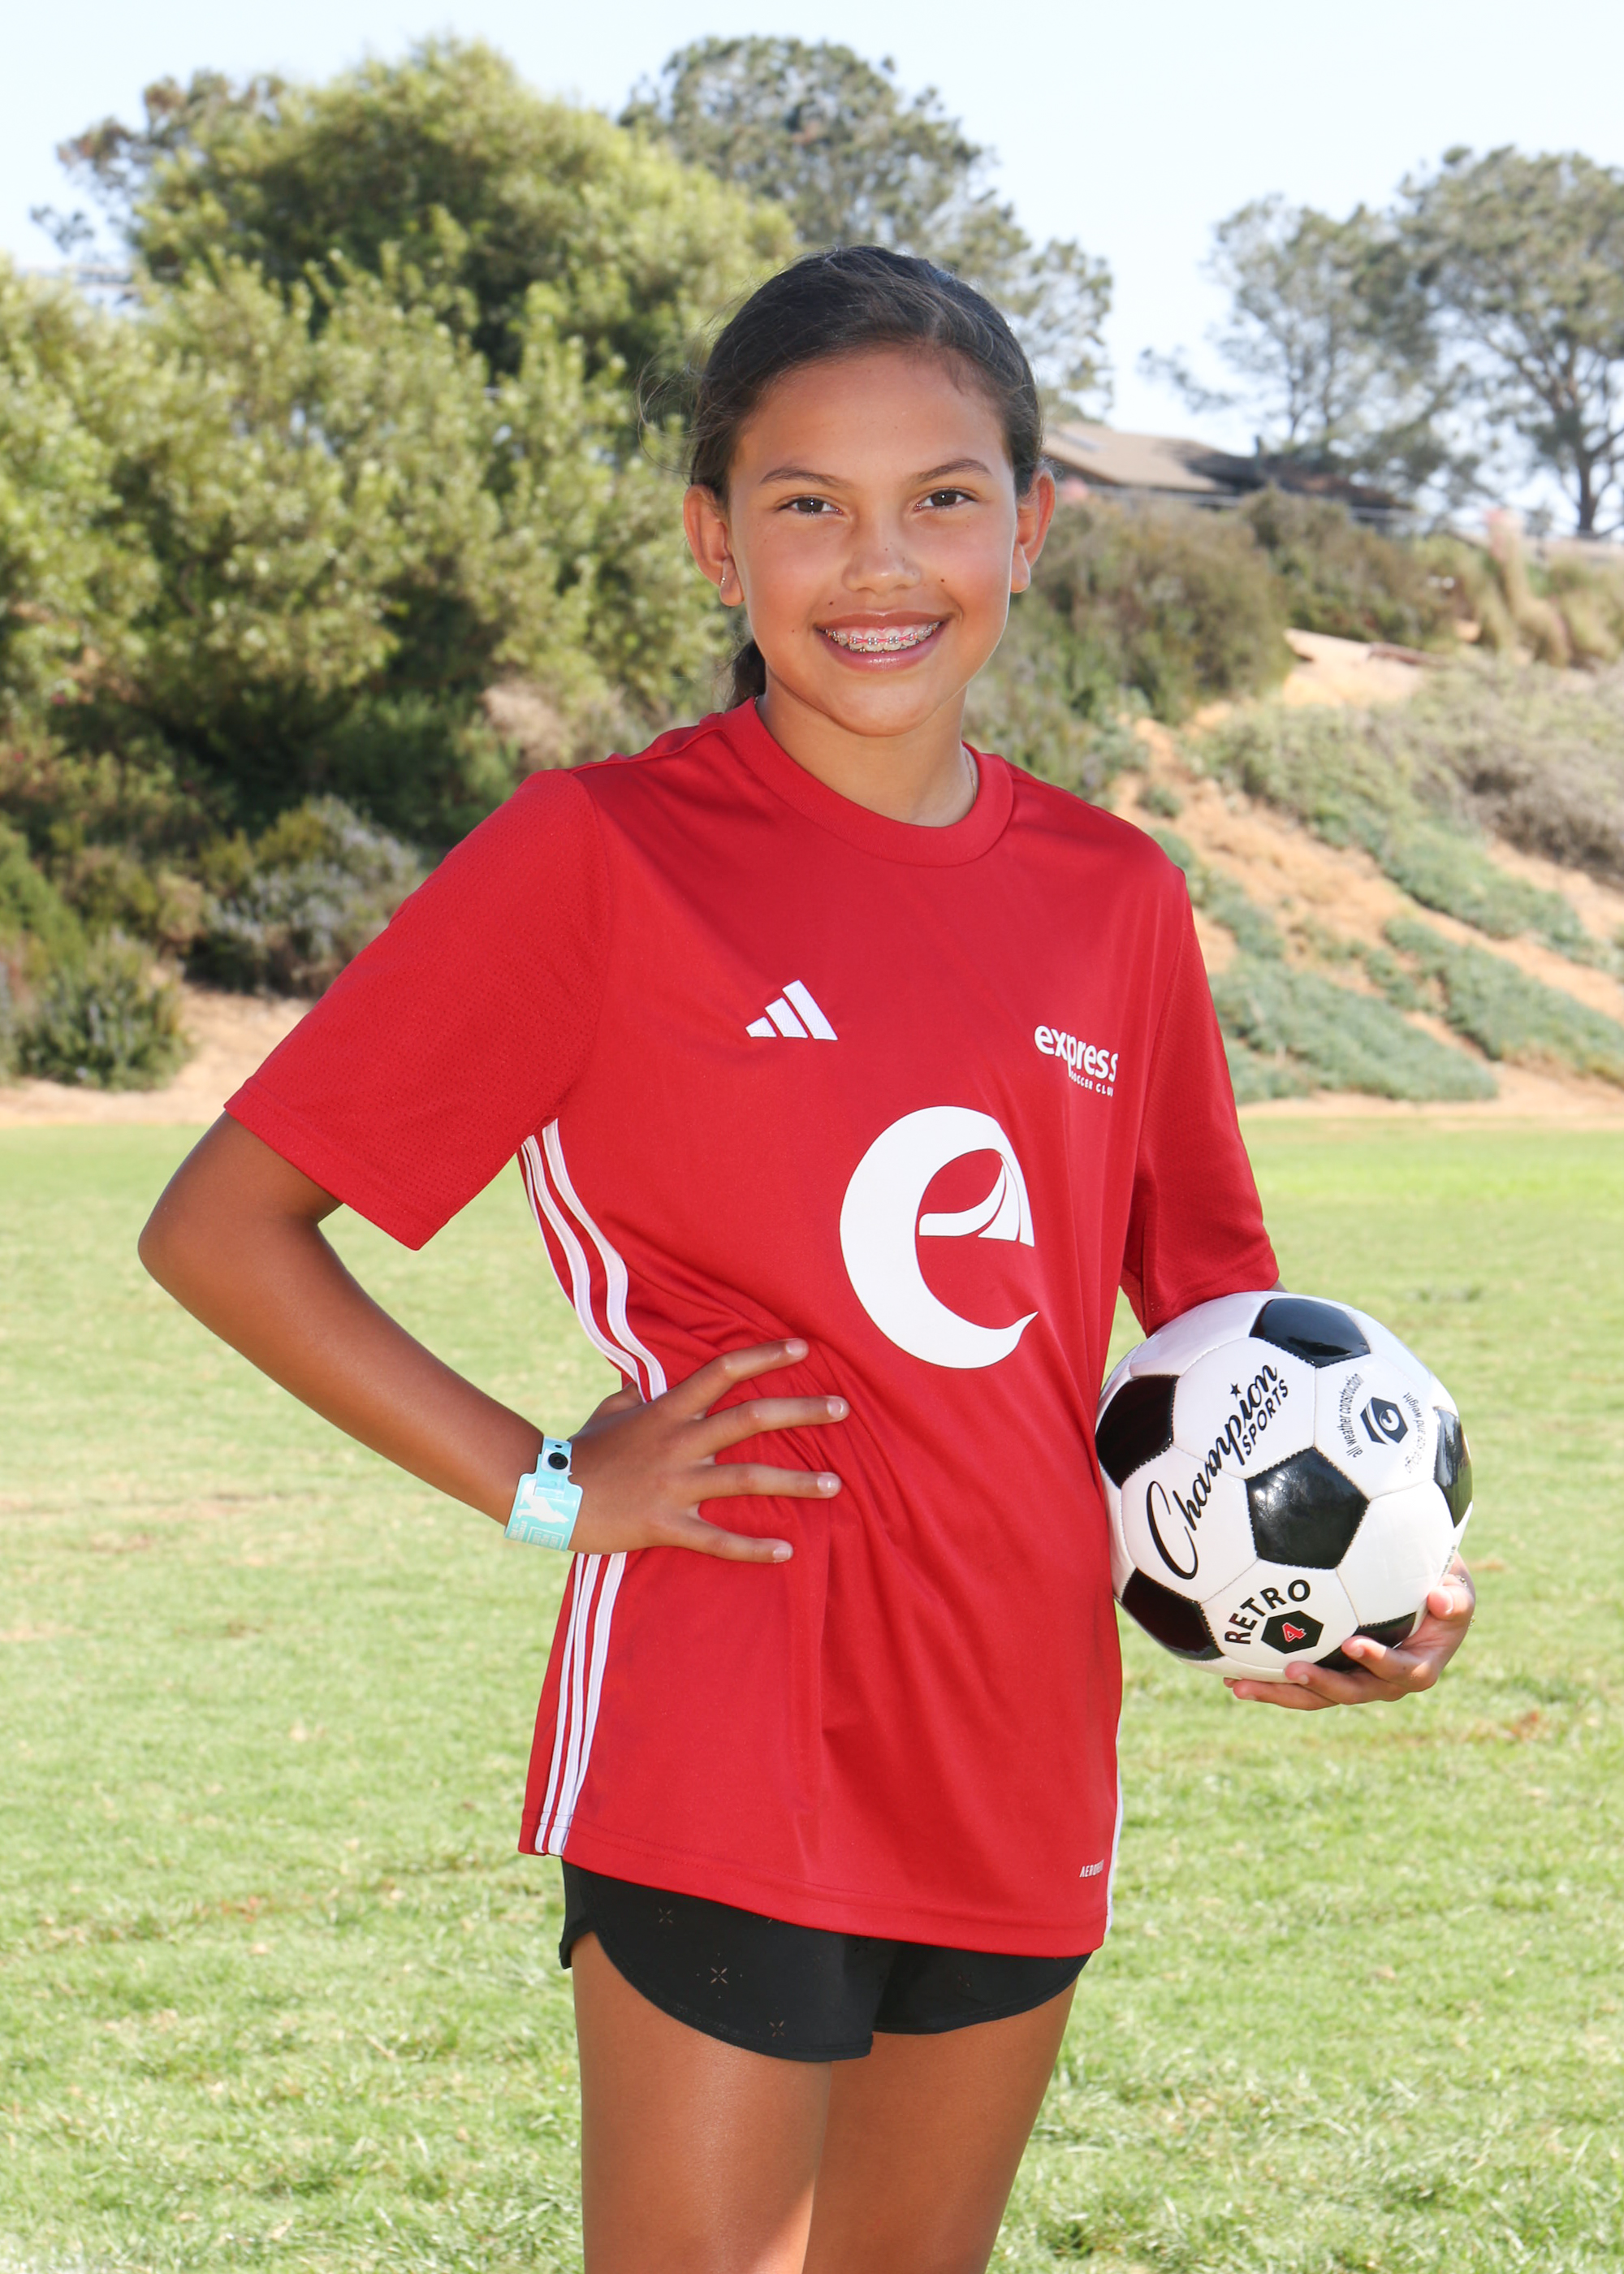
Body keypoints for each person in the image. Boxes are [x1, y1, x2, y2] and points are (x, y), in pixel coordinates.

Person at [139, 245, 1475, 2274]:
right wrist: (546, 1485)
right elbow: (222, 1227)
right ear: (715, 541)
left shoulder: (1113, 896)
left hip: (1019, 1741)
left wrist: (1351, 1582)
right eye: (807, 503)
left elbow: (1226, 1339)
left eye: (941, 496)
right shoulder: (602, 853)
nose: (880, 563)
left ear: (1030, 526)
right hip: (727, 1711)